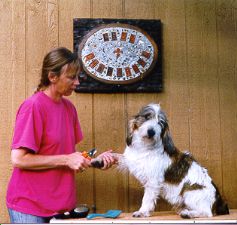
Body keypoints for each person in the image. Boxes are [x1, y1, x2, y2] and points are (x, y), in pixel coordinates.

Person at [6, 47, 117, 223]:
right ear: (52, 77)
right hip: (31, 208)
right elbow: (19, 159)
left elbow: (65, 154)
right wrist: (67, 159)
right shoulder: (33, 107)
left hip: (61, 208)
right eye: (72, 77)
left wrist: (95, 161)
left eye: (78, 77)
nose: (77, 82)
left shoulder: (69, 108)